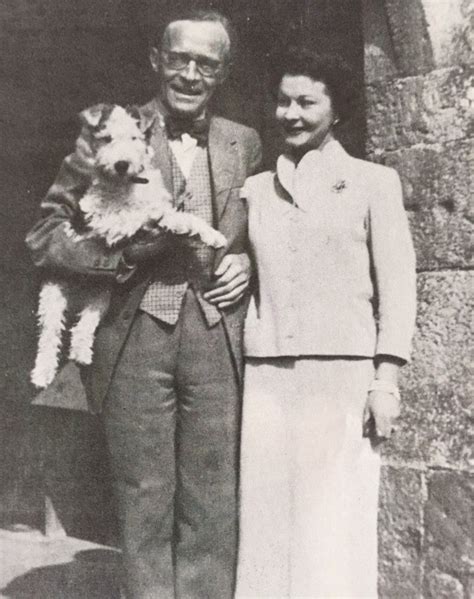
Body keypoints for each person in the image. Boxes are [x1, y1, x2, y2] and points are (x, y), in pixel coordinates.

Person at [26, 9, 261, 599]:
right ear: (156, 60)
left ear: (223, 71)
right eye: (178, 58)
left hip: (216, 334)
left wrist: (251, 263)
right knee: (143, 494)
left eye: (206, 63)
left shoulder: (245, 142)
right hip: (132, 335)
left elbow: (269, 229)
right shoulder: (109, 129)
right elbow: (45, 234)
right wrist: (120, 260)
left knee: (213, 494)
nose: (189, 73)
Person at [235, 47, 416, 598]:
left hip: (342, 377)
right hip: (267, 375)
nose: (291, 113)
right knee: (265, 522)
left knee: (333, 519)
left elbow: (399, 287)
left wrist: (385, 380)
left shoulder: (373, 182)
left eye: (306, 102)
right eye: (283, 101)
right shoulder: (255, 189)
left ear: (337, 109)